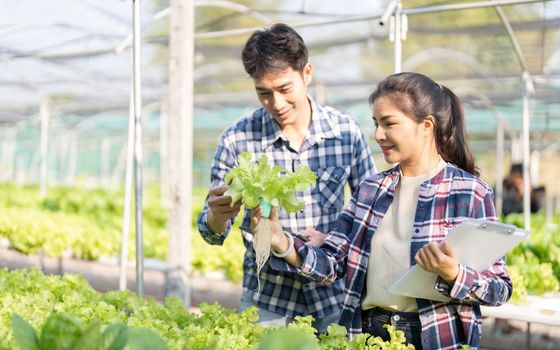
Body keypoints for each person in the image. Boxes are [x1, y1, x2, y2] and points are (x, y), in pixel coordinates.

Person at [256, 72, 512, 349]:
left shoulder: (469, 192)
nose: (378, 135)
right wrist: (281, 242)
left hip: (434, 336)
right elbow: (332, 263)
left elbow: (499, 289)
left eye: (389, 123)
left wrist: (453, 273)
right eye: (376, 123)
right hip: (368, 332)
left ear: (426, 125)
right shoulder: (370, 190)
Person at [197, 23, 376, 333]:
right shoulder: (238, 139)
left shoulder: (344, 133)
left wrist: (334, 241)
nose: (276, 104)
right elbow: (211, 233)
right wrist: (216, 215)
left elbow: (370, 216)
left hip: (333, 294)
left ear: (306, 74)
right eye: (263, 93)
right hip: (268, 299)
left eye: (284, 89)